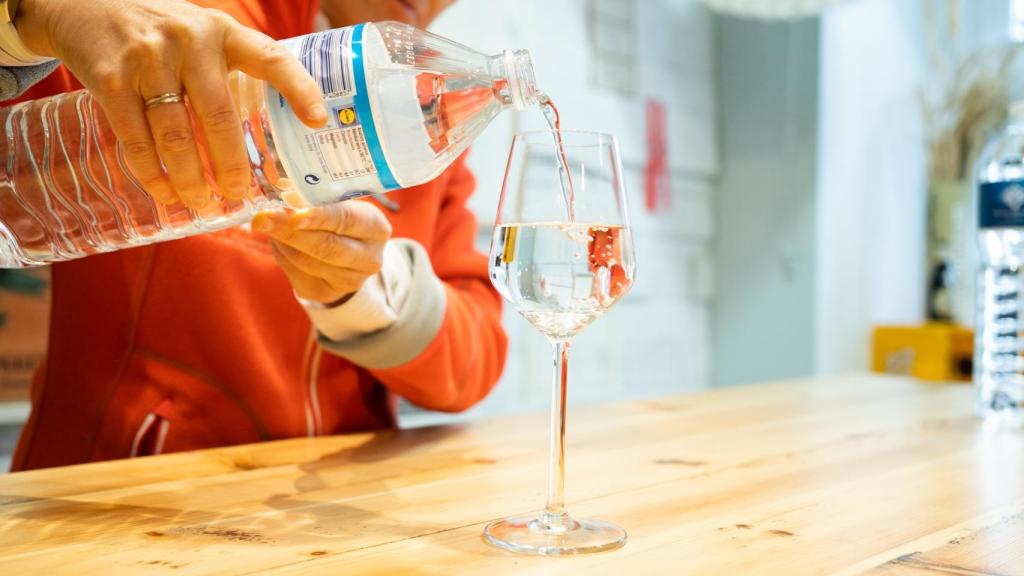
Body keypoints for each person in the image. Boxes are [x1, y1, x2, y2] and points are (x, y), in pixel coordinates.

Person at [9, 0, 508, 470]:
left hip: (332, 511)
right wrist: (42, 11)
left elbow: (476, 360)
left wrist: (371, 294)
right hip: (123, 500)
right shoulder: (184, 27)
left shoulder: (422, 120)